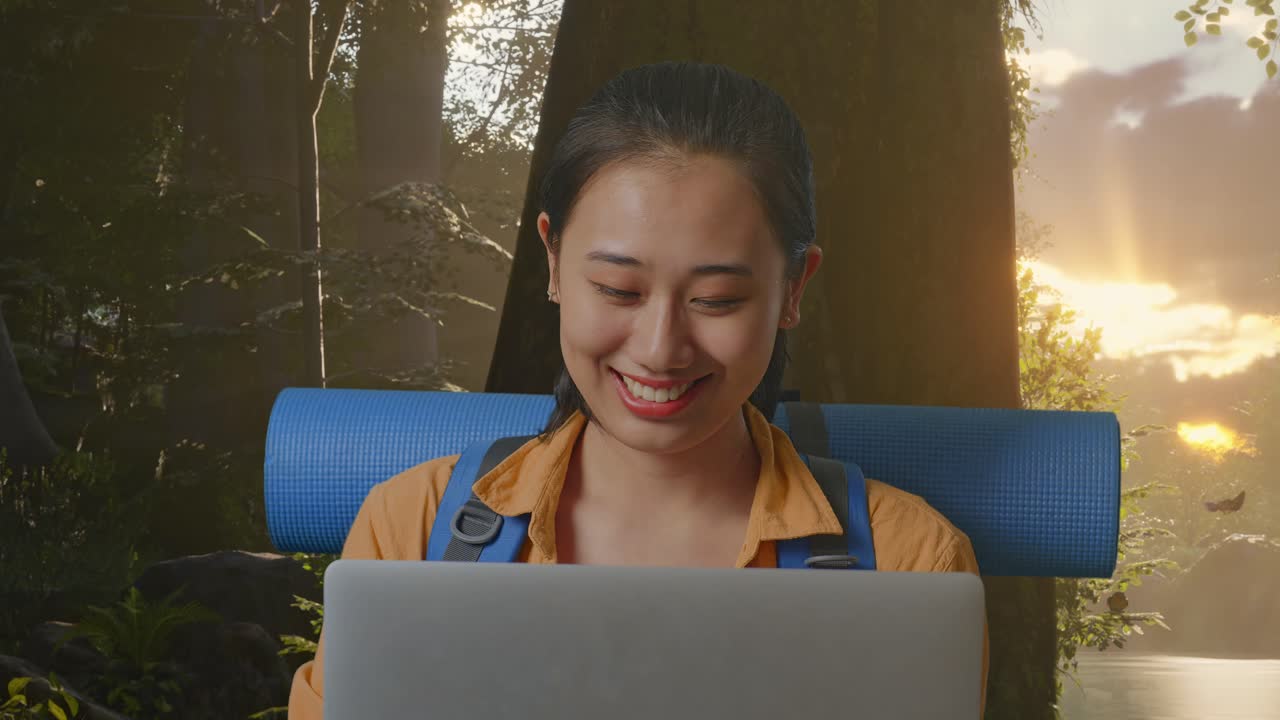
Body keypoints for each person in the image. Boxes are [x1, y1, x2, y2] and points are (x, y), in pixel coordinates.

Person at [288, 60, 989, 718]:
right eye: (618, 289)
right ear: (555, 264)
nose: (659, 349)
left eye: (716, 299)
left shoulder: (911, 563)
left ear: (793, 289)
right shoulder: (412, 530)